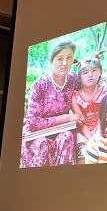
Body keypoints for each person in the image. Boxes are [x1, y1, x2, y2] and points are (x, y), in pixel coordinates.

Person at [22, 39, 85, 167]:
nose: (65, 63)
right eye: (60, 58)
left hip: (62, 132)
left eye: (69, 57)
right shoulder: (40, 85)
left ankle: (62, 182)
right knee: (42, 144)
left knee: (67, 137)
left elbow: (88, 87)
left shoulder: (73, 80)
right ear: (51, 62)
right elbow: (33, 122)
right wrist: (66, 117)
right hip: (37, 136)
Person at [71, 51, 107, 163]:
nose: (90, 75)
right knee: (84, 150)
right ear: (79, 78)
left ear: (100, 72)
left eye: (94, 71)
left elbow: (104, 115)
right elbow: (81, 121)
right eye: (85, 72)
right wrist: (91, 140)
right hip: (84, 131)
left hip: (103, 126)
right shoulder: (75, 96)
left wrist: (98, 135)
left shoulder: (106, 91)